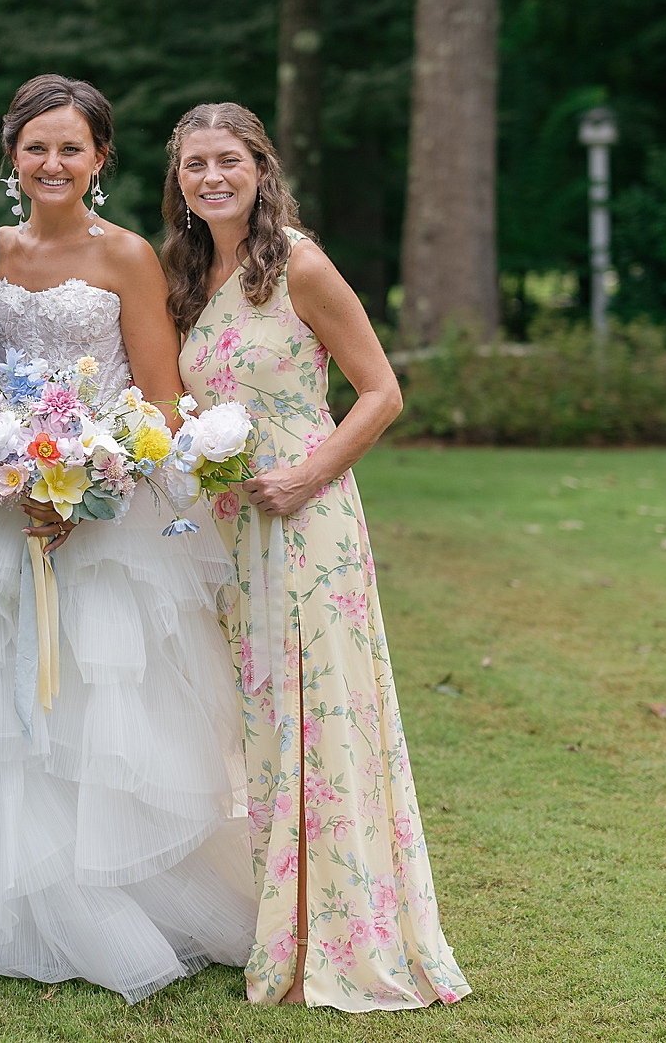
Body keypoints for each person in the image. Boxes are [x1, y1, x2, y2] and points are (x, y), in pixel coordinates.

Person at [0, 75, 258, 1004]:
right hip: (5, 510)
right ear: (11, 156)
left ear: (100, 159)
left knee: (104, 704)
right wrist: (10, 469)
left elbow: (161, 401)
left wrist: (89, 480)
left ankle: (130, 898)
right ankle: (17, 904)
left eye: (71, 148)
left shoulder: (127, 254)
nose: (52, 163)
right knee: (8, 710)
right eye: (36, 147)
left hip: (107, 520)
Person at [165, 102, 471, 1012]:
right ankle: (275, 923)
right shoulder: (187, 276)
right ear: (178, 179)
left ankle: (339, 936)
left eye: (228, 160)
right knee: (259, 724)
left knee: (320, 717)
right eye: (194, 164)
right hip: (227, 530)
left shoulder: (298, 263)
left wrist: (306, 475)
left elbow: (381, 392)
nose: (212, 178)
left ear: (261, 168)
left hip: (308, 525)